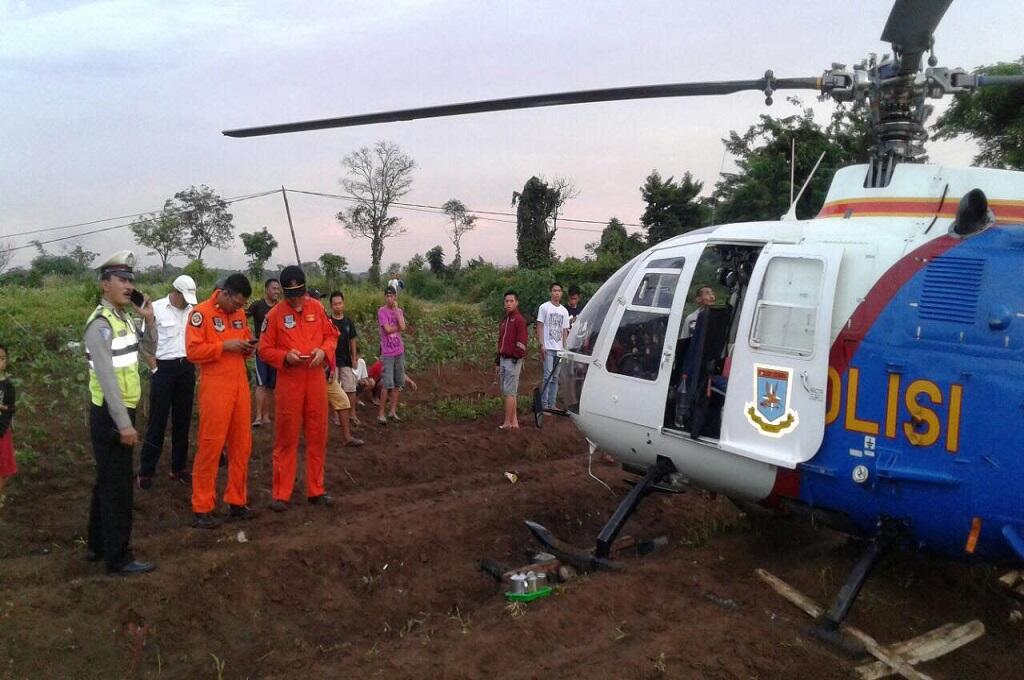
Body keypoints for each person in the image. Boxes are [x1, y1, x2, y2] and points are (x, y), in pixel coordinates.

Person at [83, 250, 157, 575]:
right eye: (122, 280)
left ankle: (98, 546)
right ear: (105, 285)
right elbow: (107, 379)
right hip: (111, 415)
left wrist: (149, 319)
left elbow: (149, 351)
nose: (129, 286)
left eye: (131, 280)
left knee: (107, 482)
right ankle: (119, 558)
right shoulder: (100, 325)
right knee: (118, 488)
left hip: (120, 411)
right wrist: (125, 424)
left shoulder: (124, 318)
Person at [258, 265, 339, 511]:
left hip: (314, 378)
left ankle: (316, 489)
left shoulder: (317, 307)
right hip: (290, 380)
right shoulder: (274, 316)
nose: (296, 300)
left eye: (300, 294)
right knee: (286, 436)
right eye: (290, 295)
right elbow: (264, 349)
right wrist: (285, 357)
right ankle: (281, 494)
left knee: (317, 434)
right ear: (283, 293)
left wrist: (323, 352)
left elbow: (331, 335)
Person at [187, 274, 257, 528]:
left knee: (242, 446)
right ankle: (202, 507)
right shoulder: (200, 314)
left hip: (239, 385)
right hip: (215, 387)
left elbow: (244, 340)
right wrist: (223, 346)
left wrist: (248, 348)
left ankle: (237, 501)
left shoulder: (238, 314)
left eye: (242, 305)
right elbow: (193, 352)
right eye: (237, 303)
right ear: (225, 294)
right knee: (210, 446)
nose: (239, 309)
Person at [137, 274, 198, 489]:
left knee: (183, 420)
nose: (187, 301)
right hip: (163, 368)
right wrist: (154, 368)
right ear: (176, 292)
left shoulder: (192, 311)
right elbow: (144, 343)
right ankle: (146, 471)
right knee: (157, 421)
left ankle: (178, 468)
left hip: (186, 368)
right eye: (185, 297)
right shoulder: (156, 309)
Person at [328, 291, 364, 445]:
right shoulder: (328, 321)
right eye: (335, 304)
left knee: (350, 387)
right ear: (331, 306)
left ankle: (352, 414)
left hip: (346, 359)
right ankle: (336, 415)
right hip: (332, 360)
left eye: (340, 303)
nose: (337, 306)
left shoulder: (348, 322)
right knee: (333, 386)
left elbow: (352, 340)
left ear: (344, 304)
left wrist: (354, 357)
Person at [247, 278, 281, 427]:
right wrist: (252, 339)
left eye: (278, 289)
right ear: (266, 289)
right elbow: (241, 318)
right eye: (274, 288)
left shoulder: (280, 307)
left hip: (276, 351)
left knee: (271, 385)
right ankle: (259, 416)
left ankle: (267, 415)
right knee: (261, 383)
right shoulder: (257, 305)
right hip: (261, 351)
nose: (277, 291)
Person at [497, 290, 528, 429]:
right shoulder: (505, 320)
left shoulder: (519, 320)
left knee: (509, 392)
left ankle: (507, 423)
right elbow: (500, 342)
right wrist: (498, 360)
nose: (509, 304)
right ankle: (514, 422)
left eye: (511, 301)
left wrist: (516, 356)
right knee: (509, 391)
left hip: (512, 361)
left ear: (517, 302)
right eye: (506, 301)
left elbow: (522, 342)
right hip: (504, 359)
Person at [536, 282, 570, 409]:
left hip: (559, 349)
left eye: (559, 291)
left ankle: (552, 404)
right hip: (548, 348)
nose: (557, 293)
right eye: (555, 290)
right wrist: (541, 344)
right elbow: (539, 326)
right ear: (551, 292)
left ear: (561, 293)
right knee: (547, 376)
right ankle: (544, 404)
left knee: (555, 377)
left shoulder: (564, 311)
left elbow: (565, 331)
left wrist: (565, 348)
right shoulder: (544, 307)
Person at [377, 286, 407, 424]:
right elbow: (388, 330)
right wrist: (398, 327)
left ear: (395, 297)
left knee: (397, 383)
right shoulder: (382, 311)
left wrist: (396, 311)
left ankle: (392, 411)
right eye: (387, 296)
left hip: (399, 351)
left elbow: (403, 326)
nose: (389, 298)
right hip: (388, 353)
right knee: (387, 384)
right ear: (385, 297)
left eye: (392, 296)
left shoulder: (398, 311)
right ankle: (381, 413)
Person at [0, 344, 16, 507]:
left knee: (1, 468)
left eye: (2, 359)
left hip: (1, 432)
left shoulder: (8, 387)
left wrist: (2, 429)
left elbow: (10, 409)